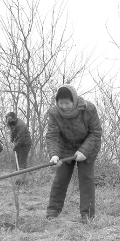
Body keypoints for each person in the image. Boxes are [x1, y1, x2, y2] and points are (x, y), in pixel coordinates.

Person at [45, 84, 102, 222]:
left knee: (86, 180)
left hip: (87, 147)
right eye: (60, 103)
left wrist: (84, 151)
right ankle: (53, 211)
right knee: (60, 179)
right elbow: (52, 135)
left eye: (67, 103)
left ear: (74, 101)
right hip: (65, 148)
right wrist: (54, 154)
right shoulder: (54, 113)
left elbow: (96, 132)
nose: (63, 106)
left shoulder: (88, 109)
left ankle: (87, 215)